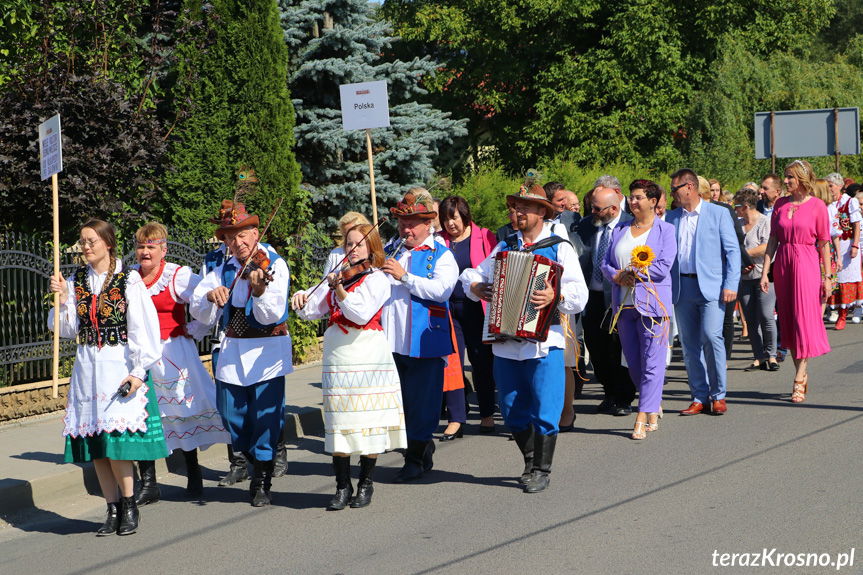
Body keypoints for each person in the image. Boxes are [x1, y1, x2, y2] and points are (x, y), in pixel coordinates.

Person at [461, 184, 588, 492]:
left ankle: (542, 469)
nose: (516, 213)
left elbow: (579, 295)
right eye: (515, 208)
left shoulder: (559, 246)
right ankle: (530, 460)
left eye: (523, 208)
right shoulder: (504, 247)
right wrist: (476, 287)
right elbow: (472, 274)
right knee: (510, 408)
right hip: (505, 340)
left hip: (545, 340)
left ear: (542, 212)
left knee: (546, 407)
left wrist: (554, 297)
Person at [49, 219, 166, 536]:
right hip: (87, 370)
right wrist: (61, 301)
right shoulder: (76, 281)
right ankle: (111, 509)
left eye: (91, 241)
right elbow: (67, 329)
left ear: (108, 243)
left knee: (117, 445)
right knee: (97, 445)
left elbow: (144, 327)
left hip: (118, 367)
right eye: (83, 242)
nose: (86, 247)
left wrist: (139, 372)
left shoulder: (128, 280)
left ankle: (130, 505)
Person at [291, 224, 407, 509]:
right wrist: (300, 299)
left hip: (368, 353)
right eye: (348, 244)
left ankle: (366, 483)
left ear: (371, 248)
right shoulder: (337, 277)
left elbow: (360, 312)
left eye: (359, 244)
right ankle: (342, 486)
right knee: (340, 421)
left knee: (368, 423)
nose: (352, 249)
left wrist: (340, 290)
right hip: (339, 356)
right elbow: (312, 310)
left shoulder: (379, 279)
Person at [190, 200, 292, 506]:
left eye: (243, 234)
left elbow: (271, 314)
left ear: (256, 232)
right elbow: (199, 310)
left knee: (264, 416)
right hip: (232, 348)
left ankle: (262, 477)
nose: (237, 242)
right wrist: (210, 296)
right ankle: (254, 456)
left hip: (266, 351)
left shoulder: (274, 263)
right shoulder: (219, 266)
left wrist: (258, 291)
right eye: (230, 237)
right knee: (230, 414)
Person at [131, 223, 229, 505]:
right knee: (143, 417)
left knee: (181, 412)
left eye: (151, 246)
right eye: (141, 246)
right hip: (140, 356)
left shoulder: (178, 274)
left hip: (174, 353)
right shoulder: (130, 279)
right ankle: (149, 483)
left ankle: (194, 474)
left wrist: (194, 328)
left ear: (164, 249)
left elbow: (205, 299)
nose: (145, 251)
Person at [380, 190, 458, 482]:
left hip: (424, 340)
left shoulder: (442, 255)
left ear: (428, 224)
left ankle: (415, 457)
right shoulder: (391, 249)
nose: (406, 229)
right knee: (399, 404)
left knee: (422, 403)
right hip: (390, 341)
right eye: (402, 222)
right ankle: (419, 449)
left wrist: (404, 277)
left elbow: (442, 291)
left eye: (412, 223)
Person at [601, 182, 676, 439]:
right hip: (624, 304)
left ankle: (642, 415)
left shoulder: (666, 230)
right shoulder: (621, 229)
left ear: (653, 201)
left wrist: (635, 273)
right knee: (633, 363)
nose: (633, 202)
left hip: (654, 306)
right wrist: (618, 275)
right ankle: (652, 404)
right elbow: (606, 263)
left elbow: (662, 267)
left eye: (639, 198)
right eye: (631, 198)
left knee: (653, 362)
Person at [667, 169, 740, 416]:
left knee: (711, 336)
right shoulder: (671, 217)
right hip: (682, 286)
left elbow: (732, 251)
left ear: (689, 187)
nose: (672, 194)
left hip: (712, 286)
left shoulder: (718, 212)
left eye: (674, 189)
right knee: (689, 344)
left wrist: (731, 284)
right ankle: (699, 396)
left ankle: (718, 394)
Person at [760, 160, 831, 403]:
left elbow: (823, 243)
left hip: (807, 264)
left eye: (790, 177)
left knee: (804, 320)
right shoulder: (780, 204)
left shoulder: (817, 206)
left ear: (802, 178)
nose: (786, 181)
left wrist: (827, 277)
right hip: (783, 265)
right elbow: (772, 240)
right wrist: (765, 272)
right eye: (785, 177)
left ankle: (800, 376)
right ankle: (800, 371)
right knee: (789, 320)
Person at [438, 195, 498, 433]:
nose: (450, 224)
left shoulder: (484, 236)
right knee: (451, 364)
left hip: (476, 308)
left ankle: (486, 413)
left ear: (464, 214)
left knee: (481, 361)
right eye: (445, 219)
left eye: (453, 217)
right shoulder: (438, 241)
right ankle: (456, 418)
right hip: (447, 310)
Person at [575, 179, 635, 416]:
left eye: (597, 209)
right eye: (591, 207)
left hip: (619, 297)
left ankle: (624, 398)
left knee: (620, 348)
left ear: (613, 208)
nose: (593, 213)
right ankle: (609, 392)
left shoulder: (629, 227)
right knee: (596, 347)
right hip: (592, 297)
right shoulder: (586, 226)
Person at [733, 189, 779, 371]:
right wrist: (741, 262)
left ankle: (772, 355)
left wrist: (743, 255)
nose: (735, 210)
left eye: (737, 206)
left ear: (745, 207)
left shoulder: (764, 222)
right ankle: (758, 356)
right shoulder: (737, 224)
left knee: (767, 316)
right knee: (751, 319)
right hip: (743, 277)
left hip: (763, 275)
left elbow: (766, 247)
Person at [825, 172, 862, 330]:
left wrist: (855, 245)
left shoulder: (850, 201)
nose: (829, 189)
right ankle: (834, 310)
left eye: (831, 186)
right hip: (832, 246)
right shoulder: (827, 203)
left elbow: (856, 225)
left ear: (839, 186)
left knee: (846, 278)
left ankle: (844, 313)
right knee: (833, 278)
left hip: (847, 245)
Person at [323, 212, 371, 277]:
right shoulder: (335, 254)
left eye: (353, 231)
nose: (350, 236)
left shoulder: (369, 253)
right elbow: (324, 283)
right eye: (346, 234)